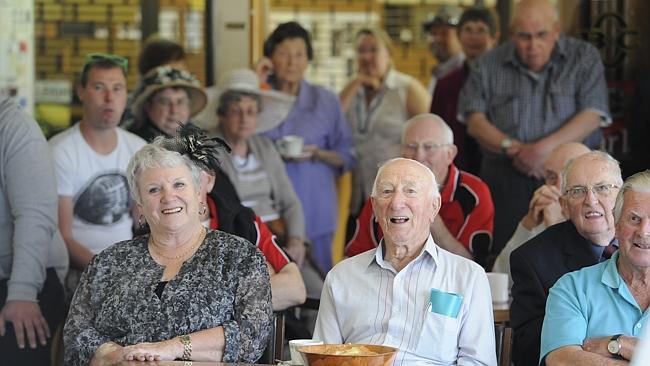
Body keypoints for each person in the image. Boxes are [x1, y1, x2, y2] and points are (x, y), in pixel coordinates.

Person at [63, 137, 273, 365]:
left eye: (179, 184)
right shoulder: (108, 262)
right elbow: (77, 333)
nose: (168, 197)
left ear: (198, 192)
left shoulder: (240, 256)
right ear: (140, 206)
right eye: (154, 190)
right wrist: (117, 355)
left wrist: (171, 349)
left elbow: (252, 335)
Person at [457, 0, 611, 252]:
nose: (532, 45)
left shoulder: (583, 57)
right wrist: (512, 148)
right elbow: (474, 120)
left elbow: (593, 114)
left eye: (541, 35)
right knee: (509, 251)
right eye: (523, 36)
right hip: (506, 177)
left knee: (580, 251)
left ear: (556, 30)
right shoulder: (487, 64)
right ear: (511, 33)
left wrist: (543, 152)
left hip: (572, 179)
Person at [314, 158, 496, 365]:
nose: (396, 203)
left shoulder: (468, 277)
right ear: (374, 207)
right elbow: (322, 358)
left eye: (410, 191)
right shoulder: (341, 277)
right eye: (386, 192)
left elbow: (479, 362)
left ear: (434, 207)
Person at [161, 123, 306, 311]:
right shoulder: (154, 229)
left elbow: (295, 288)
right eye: (173, 183)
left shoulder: (242, 222)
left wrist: (213, 303)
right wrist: (253, 287)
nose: (174, 195)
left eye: (190, 179)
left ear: (210, 180)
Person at [256, 21, 356, 273]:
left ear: (308, 59)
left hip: (316, 209)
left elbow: (347, 156)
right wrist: (256, 81)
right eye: (283, 54)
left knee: (320, 290)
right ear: (270, 59)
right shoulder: (257, 98)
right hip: (268, 214)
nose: (292, 62)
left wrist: (317, 153)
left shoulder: (326, 100)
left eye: (299, 54)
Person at [509, 151, 622, 366]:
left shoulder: (641, 243)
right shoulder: (533, 259)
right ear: (564, 205)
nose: (591, 200)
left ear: (623, 195)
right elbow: (525, 350)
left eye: (602, 188)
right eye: (577, 191)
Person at [49, 53, 146, 296]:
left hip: (128, 262)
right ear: (81, 92)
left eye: (117, 88)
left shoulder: (138, 148)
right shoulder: (61, 151)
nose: (109, 98)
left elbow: (143, 222)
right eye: (99, 87)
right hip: (79, 267)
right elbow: (64, 237)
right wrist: (108, 269)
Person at [346, 114, 494, 268]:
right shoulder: (385, 194)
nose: (419, 156)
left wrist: (428, 214)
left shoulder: (474, 193)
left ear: (450, 154)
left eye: (429, 147)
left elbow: (473, 267)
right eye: (411, 146)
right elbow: (356, 260)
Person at [541, 170, 650, 365]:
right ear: (616, 225)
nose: (643, 232)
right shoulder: (572, 288)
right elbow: (561, 360)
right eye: (634, 219)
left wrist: (620, 344)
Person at [205, 68, 306, 266]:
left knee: (317, 286)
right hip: (241, 238)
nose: (244, 119)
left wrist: (296, 239)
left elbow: (290, 201)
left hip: (279, 235)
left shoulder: (265, 147)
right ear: (222, 115)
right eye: (236, 111)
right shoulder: (208, 149)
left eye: (250, 111)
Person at [0, 98, 69, 364]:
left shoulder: (14, 127)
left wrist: (22, 294)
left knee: (17, 347)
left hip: (27, 278)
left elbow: (35, 216)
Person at [339, 27, 430, 214]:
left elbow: (431, 139)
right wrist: (355, 83)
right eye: (361, 51)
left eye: (373, 50)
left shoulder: (407, 89)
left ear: (389, 54)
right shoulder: (353, 91)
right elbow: (332, 122)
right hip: (360, 198)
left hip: (400, 199)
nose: (366, 57)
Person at [493, 142, 590, 281]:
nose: (557, 187)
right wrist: (528, 225)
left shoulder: (599, 221)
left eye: (568, 177)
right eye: (551, 177)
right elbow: (500, 279)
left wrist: (555, 229)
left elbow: (578, 290)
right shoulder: (544, 214)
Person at [431, 6, 499, 175]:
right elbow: (435, 129)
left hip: (498, 169)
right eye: (468, 30)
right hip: (457, 169)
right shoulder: (445, 83)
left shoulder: (505, 81)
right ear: (459, 36)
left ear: (494, 37)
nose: (474, 37)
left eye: (481, 30)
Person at [126, 65, 207, 141]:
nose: (174, 111)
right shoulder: (135, 142)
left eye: (180, 102)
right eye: (165, 102)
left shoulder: (198, 138)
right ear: (148, 107)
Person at [122, 36, 188, 124]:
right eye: (174, 68)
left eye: (182, 65)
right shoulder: (131, 108)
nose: (182, 73)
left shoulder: (183, 98)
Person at [422, 5, 465, 94]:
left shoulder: (467, 75)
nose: (437, 39)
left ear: (462, 37)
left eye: (444, 33)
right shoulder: (441, 72)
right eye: (433, 33)